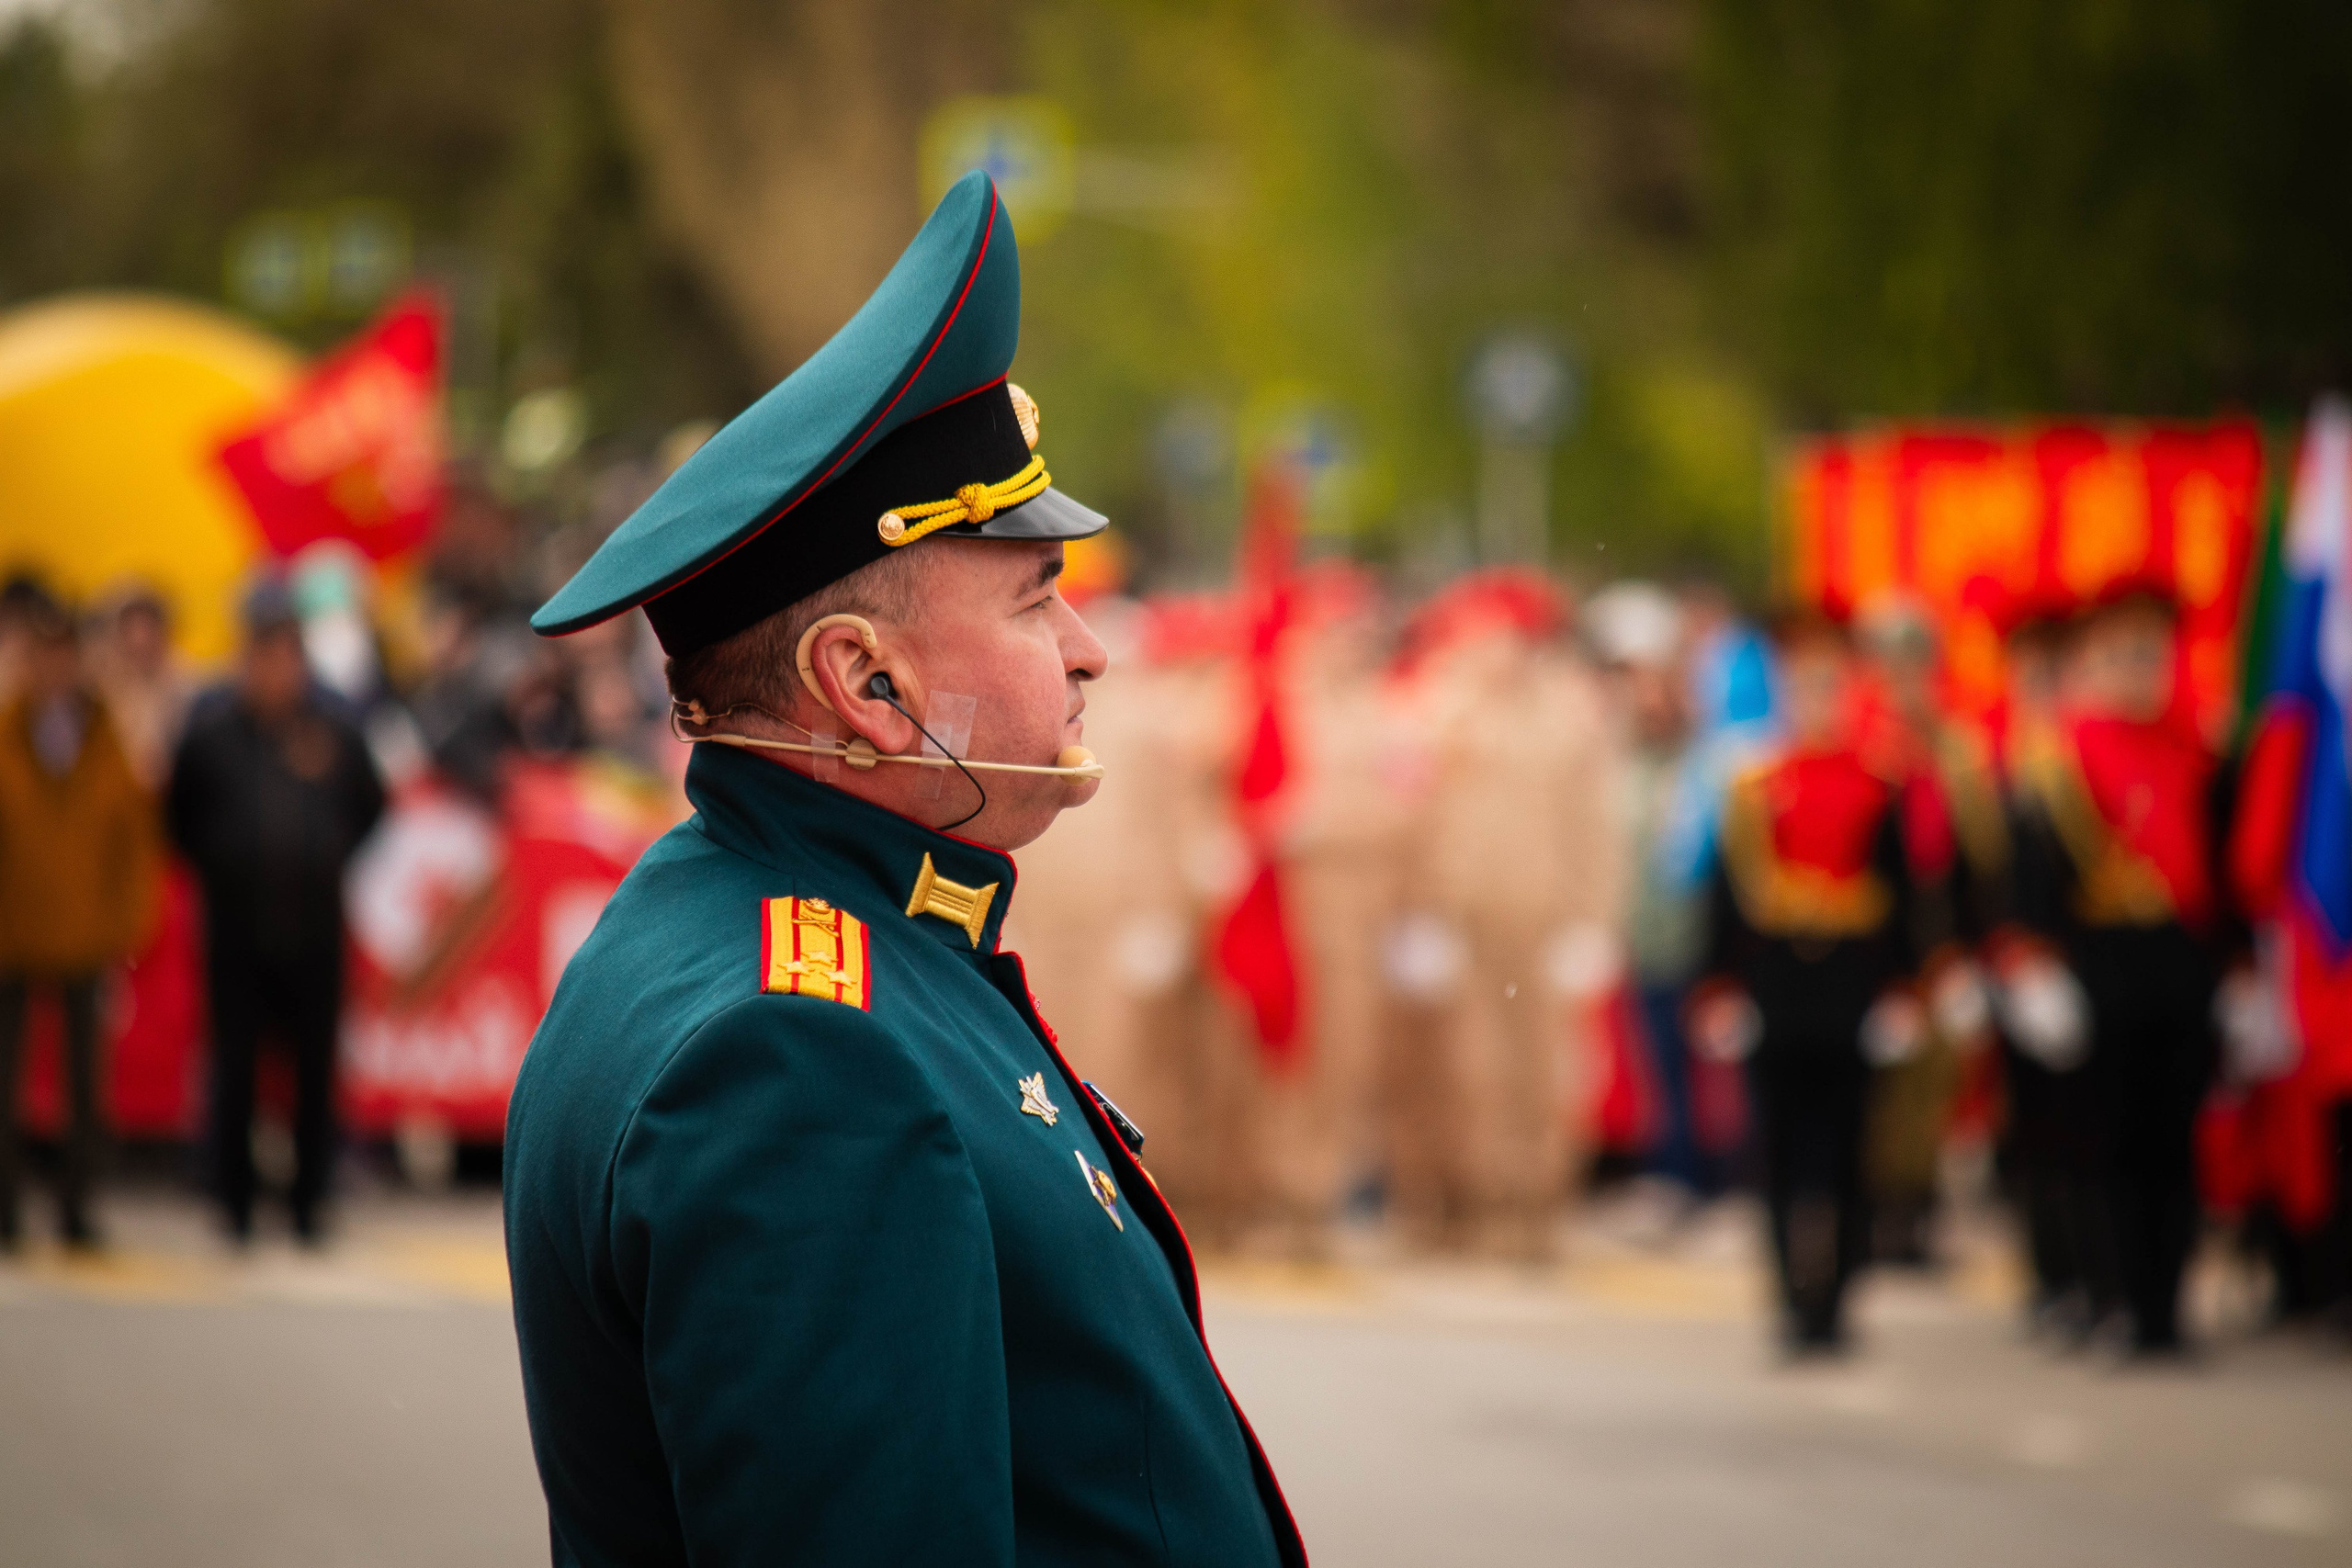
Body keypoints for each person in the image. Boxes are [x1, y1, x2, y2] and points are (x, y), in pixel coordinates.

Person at [503, 173, 1304, 1566]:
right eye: (1036, 593)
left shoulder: (757, 924)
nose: (1088, 648)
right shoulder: (800, 1055)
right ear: (866, 681)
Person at [2009, 586, 2243, 1356]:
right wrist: (2039, 968)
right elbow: (2034, 876)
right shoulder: (2059, 757)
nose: (2139, 669)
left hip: (2177, 963)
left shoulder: (2196, 750)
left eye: (2152, 653)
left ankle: (2166, 1309)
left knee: (2174, 1143)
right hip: (2098, 964)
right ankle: (2112, 1296)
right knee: (2103, 1142)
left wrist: (2241, 969)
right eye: (2121, 653)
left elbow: (2227, 869)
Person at [1693, 609, 1919, 1354]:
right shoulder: (1756, 782)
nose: (1818, 697)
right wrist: (1720, 986)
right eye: (1805, 683)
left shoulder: (1877, 781)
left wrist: (1902, 989)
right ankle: (1791, 1300)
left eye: (1831, 682)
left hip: (1852, 983)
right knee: (1781, 1151)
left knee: (1852, 1150)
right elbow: (1725, 896)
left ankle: (1840, 1301)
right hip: (1779, 983)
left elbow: (1903, 894)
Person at [167, 580, 386, 1244]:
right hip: (236, 927)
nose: (275, 668)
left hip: (314, 928)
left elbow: (373, 803)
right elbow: (178, 817)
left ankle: (307, 1201)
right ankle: (233, 1200)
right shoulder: (211, 734)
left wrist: (332, 852)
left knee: (315, 1074)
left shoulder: (335, 731)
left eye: (287, 654)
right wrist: (221, 863)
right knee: (233, 1069)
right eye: (264, 654)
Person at [0, 592, 160, 1250]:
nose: (57, 669)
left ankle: (76, 1201)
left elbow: (132, 836)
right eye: (47, 656)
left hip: (87, 933)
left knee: (86, 1085)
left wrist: (127, 922)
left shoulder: (102, 736)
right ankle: (7, 1201)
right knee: (6, 1078)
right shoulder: (10, 731)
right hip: (13, 932)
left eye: (67, 656)